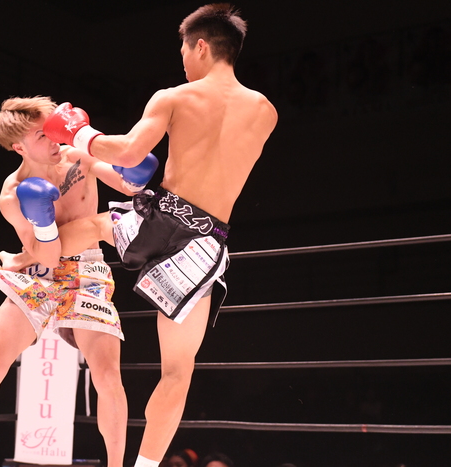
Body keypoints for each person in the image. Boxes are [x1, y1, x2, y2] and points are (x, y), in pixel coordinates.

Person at [41, 4, 278, 467]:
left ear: (201, 46)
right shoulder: (265, 112)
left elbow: (130, 152)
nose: (182, 60)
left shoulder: (174, 97)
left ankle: (31, 269)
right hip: (203, 242)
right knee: (177, 373)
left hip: (160, 217)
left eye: (184, 50)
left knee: (87, 228)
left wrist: (80, 135)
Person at [0, 96, 159, 467]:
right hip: (39, 274)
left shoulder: (76, 155)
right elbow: (47, 256)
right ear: (19, 147)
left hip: (87, 272)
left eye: (52, 130)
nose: (53, 140)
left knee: (108, 375)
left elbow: (128, 186)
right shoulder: (13, 193)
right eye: (41, 136)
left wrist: (134, 173)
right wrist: (43, 227)